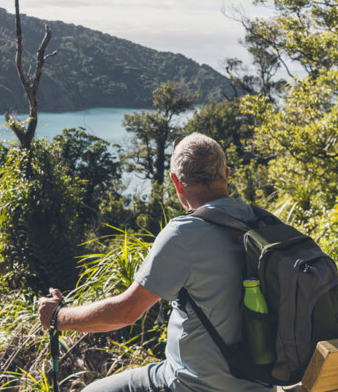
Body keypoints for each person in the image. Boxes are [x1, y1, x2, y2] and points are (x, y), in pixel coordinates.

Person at [38, 133, 270, 392]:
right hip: (261, 383)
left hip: (192, 384)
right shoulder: (263, 223)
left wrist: (58, 316)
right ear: (226, 174)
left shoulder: (184, 234)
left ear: (176, 182)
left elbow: (126, 312)